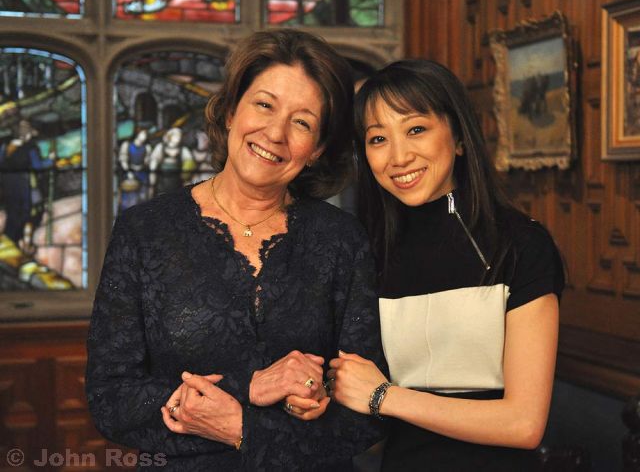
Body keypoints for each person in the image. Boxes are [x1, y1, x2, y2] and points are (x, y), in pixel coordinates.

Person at [86, 29, 387, 471]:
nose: (275, 132)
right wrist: (250, 387)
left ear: (318, 149)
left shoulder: (342, 240)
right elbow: (109, 399)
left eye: (302, 122)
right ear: (230, 111)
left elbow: (367, 414)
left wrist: (246, 426)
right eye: (264, 105)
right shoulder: (144, 231)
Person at [327, 59, 565, 471]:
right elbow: (353, 387)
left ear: (458, 138)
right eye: (378, 138)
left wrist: (385, 396)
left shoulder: (521, 245)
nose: (399, 156)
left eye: (416, 129)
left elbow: (523, 423)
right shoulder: (367, 252)